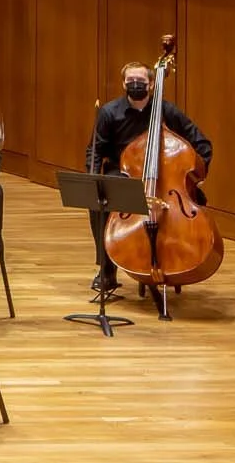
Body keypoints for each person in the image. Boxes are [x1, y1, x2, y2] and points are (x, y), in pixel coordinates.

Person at [87, 58, 212, 293]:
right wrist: (93, 178)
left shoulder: (167, 111)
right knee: (99, 204)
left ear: (152, 84)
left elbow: (202, 142)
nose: (136, 84)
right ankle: (106, 270)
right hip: (124, 173)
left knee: (197, 203)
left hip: (166, 178)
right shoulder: (108, 112)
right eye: (130, 80)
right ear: (123, 83)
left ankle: (174, 258)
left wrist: (197, 173)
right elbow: (95, 149)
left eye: (140, 80)